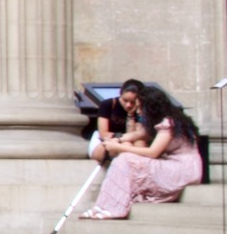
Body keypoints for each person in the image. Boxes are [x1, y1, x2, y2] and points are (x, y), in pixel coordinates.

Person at [82, 87, 204, 220]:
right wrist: (118, 140)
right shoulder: (163, 121)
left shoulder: (169, 123)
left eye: (141, 107)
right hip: (177, 165)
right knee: (126, 159)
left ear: (151, 108)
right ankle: (104, 205)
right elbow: (137, 134)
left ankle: (112, 207)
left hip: (182, 169)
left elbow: (153, 153)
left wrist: (119, 147)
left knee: (126, 159)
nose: (138, 111)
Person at [89, 80, 146, 163]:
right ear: (120, 94)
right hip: (106, 141)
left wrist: (130, 114)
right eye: (125, 100)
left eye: (133, 102)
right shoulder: (108, 104)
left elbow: (134, 134)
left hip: (125, 141)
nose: (128, 105)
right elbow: (103, 133)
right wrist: (121, 138)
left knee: (140, 143)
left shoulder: (139, 110)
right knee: (127, 145)